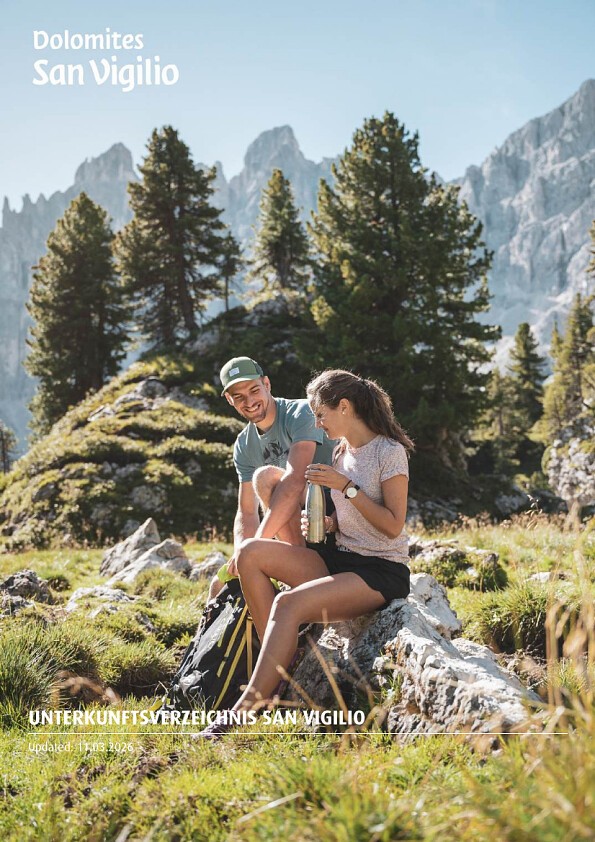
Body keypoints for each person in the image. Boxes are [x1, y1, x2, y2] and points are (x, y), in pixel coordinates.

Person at [198, 368, 414, 738]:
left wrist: (345, 488)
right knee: (250, 553)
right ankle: (281, 660)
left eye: (320, 413)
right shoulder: (342, 452)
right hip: (338, 558)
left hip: (379, 571)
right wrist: (329, 525)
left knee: (287, 605)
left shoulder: (389, 453)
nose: (316, 422)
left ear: (344, 407)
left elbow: (393, 525)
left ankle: (249, 706)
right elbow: (345, 517)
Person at [207, 356, 336, 601]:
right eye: (239, 396)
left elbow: (296, 479)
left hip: (332, 515)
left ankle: (306, 571)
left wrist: (254, 548)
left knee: (266, 478)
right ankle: (297, 570)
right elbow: (246, 512)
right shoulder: (244, 445)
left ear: (267, 384)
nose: (249, 401)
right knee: (218, 586)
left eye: (254, 390)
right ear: (229, 400)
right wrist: (239, 553)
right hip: (295, 525)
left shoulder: (302, 412)